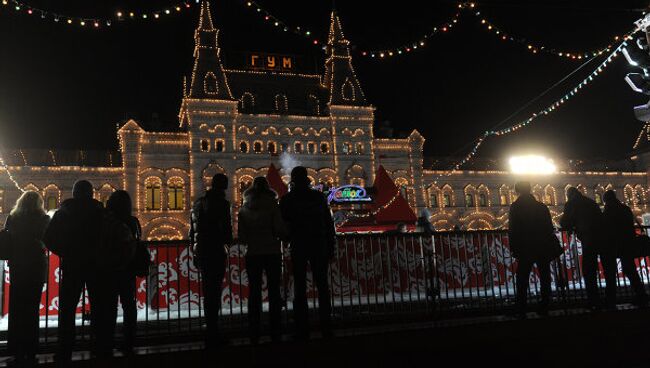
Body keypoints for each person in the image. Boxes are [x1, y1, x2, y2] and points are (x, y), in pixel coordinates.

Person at [44, 180, 108, 363]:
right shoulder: (100, 212)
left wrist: (65, 251)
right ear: (91, 193)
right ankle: (99, 346)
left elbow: (48, 237)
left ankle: (65, 349)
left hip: (73, 264)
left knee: (67, 309)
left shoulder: (65, 212)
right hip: (96, 265)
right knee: (99, 306)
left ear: (74, 193)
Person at [280, 166, 336, 340]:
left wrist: (287, 238)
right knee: (322, 285)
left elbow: (284, 223)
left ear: (294, 180)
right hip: (319, 243)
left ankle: (301, 325)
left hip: (299, 244)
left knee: (300, 285)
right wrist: (330, 245)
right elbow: (328, 223)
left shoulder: (288, 199)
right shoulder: (319, 197)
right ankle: (326, 323)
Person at [238, 177, 286, 344]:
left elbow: (242, 235)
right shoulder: (273, 205)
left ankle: (254, 327)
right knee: (274, 289)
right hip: (272, 251)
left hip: (252, 253)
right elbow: (279, 228)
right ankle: (276, 326)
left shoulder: (244, 209)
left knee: (254, 291)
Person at [4, 191, 50, 367]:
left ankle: (15, 347)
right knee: (32, 310)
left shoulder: (13, 217)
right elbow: (48, 239)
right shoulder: (43, 219)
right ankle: (31, 348)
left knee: (16, 308)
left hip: (18, 266)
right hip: (36, 267)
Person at [190, 173, 233, 348]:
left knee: (208, 291)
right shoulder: (223, 204)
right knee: (214, 291)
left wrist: (195, 249)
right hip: (215, 251)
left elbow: (192, 230)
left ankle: (210, 328)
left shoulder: (199, 203)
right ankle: (214, 330)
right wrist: (227, 242)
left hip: (201, 250)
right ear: (224, 187)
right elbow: (227, 231)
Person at [508, 182, 559, 317]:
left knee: (522, 277)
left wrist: (513, 246)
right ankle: (545, 304)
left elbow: (513, 229)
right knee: (545, 275)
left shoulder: (516, 207)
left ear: (517, 191)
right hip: (542, 245)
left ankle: (521, 306)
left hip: (525, 246)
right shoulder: (541, 207)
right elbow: (549, 226)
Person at [560, 186, 616, 309]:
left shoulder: (572, 203)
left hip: (589, 239)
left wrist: (569, 225)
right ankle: (611, 299)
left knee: (589, 270)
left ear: (569, 195)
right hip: (604, 238)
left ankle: (594, 299)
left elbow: (564, 222)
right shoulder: (590, 201)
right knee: (608, 269)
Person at [106, 190, 143, 354]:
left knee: (109, 306)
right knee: (129, 304)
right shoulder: (133, 221)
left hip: (111, 268)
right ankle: (129, 339)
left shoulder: (109, 221)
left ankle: (107, 340)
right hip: (128, 268)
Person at [602, 189, 647, 307]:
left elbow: (606, 225)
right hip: (628, 242)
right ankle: (640, 294)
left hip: (615, 244)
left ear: (607, 200)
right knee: (630, 269)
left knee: (611, 271)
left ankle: (611, 298)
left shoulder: (610, 209)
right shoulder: (625, 208)